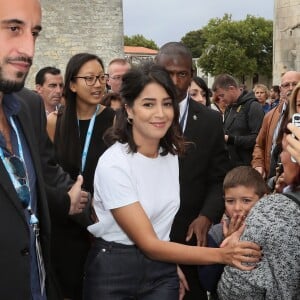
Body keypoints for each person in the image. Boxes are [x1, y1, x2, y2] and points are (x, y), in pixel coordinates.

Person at [83, 62, 262, 300]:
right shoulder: (114, 164)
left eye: (166, 103)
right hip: (115, 272)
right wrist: (223, 255)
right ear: (129, 110)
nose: (160, 113)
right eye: (148, 104)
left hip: (162, 269)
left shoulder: (170, 155)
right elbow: (148, 244)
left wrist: (169, 261)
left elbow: (158, 235)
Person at [0, 0, 88, 298]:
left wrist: (71, 197)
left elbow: (45, 175)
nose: (28, 49)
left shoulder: (27, 106)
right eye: (13, 28)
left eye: (34, 33)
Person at [155, 42, 232, 299]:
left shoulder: (209, 120)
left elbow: (218, 176)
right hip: (147, 232)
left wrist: (207, 215)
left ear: (191, 74)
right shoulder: (141, 117)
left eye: (182, 74)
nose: (175, 81)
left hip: (190, 234)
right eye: (168, 73)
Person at [47, 53, 115, 300]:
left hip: (100, 222)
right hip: (64, 223)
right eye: (89, 78)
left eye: (101, 77)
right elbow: (48, 171)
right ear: (72, 85)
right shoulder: (56, 121)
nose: (98, 84)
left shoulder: (114, 121)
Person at [217, 129, 300, 300]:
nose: (281, 159)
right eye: (230, 201)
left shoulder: (273, 211)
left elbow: (236, 290)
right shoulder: (217, 231)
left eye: (285, 150)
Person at [198, 166, 269, 299]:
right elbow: (208, 283)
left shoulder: (271, 231)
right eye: (230, 201)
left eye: (246, 201)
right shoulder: (217, 233)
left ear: (263, 200)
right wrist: (226, 247)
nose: (237, 208)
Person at [252, 71, 300, 179]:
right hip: (272, 181)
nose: (291, 88)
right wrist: (258, 165)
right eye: (286, 85)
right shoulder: (270, 116)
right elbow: (259, 145)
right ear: (281, 89)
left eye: (295, 84)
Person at [212, 74, 265, 167]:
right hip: (230, 165)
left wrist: (231, 139)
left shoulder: (253, 106)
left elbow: (257, 140)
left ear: (231, 89)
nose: (221, 99)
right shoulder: (230, 107)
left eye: (222, 95)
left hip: (247, 167)